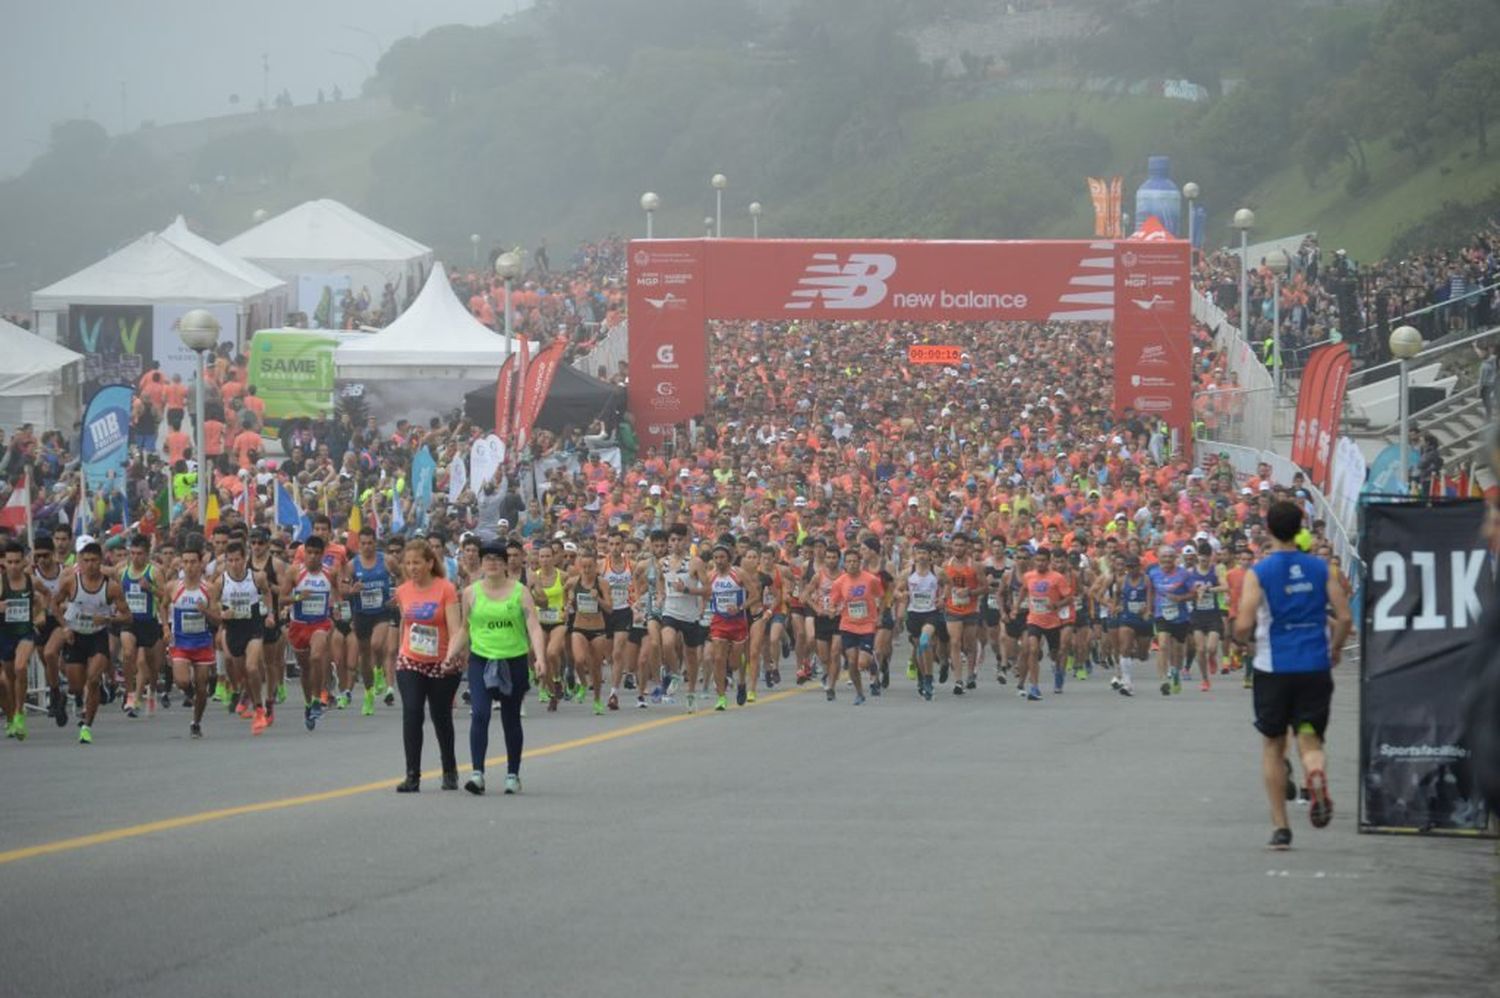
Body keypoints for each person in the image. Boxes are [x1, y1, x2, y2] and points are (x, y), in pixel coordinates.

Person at [1234, 500, 1352, 850]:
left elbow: (1243, 623)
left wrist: (1244, 641)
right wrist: (1334, 649)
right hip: (1314, 666)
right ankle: (1314, 773)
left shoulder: (1261, 572)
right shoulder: (1320, 568)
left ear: (1268, 530)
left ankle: (1281, 828)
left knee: (1273, 744)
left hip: (1274, 668)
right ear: (1301, 527)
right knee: (1309, 736)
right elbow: (1344, 618)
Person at [449, 539, 547, 796]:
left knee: (510, 717)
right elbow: (464, 629)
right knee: (480, 713)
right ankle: (477, 773)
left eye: (497, 559)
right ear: (480, 565)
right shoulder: (470, 592)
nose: (491, 564)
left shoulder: (520, 591)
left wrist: (540, 658)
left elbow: (534, 626)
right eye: (487, 560)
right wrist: (450, 654)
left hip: (512, 659)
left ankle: (512, 774)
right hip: (482, 660)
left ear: (505, 564)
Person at [392, 538, 462, 793]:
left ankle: (449, 769)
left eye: (417, 562)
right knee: (412, 713)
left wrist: (451, 657)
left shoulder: (446, 588)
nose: (412, 568)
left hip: (442, 663)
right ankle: (412, 775)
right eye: (408, 563)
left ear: (430, 563)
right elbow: (405, 623)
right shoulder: (402, 591)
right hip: (411, 660)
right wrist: (400, 651)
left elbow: (455, 628)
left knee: (441, 716)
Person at [53, 540, 130, 744]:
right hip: (75, 636)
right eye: (86, 560)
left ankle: (86, 726)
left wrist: (107, 619)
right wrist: (65, 626)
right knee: (77, 685)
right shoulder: (71, 582)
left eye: (94, 560)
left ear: (101, 561)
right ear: (80, 561)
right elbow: (54, 603)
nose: (90, 565)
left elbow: (128, 617)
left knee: (93, 680)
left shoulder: (111, 587)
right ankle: (67, 695)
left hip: (97, 636)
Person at [166, 541, 220, 738]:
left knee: (202, 688)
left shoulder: (209, 589)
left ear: (200, 564)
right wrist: (165, 626)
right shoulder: (174, 587)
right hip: (181, 642)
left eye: (193, 562)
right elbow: (163, 605)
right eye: (185, 562)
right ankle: (190, 694)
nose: (189, 566)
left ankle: (196, 722)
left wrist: (205, 611)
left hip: (202, 644)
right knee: (181, 680)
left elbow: (217, 618)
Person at [826, 546, 883, 705]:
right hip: (848, 625)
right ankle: (859, 693)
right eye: (849, 561)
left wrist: (880, 614)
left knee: (862, 662)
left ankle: (872, 663)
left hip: (867, 624)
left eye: (855, 561)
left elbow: (881, 596)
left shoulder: (871, 579)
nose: (852, 564)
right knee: (852, 662)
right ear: (845, 564)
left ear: (860, 563)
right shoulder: (840, 582)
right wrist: (831, 610)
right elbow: (833, 601)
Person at [1, 540, 42, 740]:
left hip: (25, 632)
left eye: (18, 561)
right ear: (5, 563)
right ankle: (11, 717)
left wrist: (40, 615)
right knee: (7, 679)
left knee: (20, 667)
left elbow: (47, 597)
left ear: (24, 561)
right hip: (5, 635)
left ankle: (19, 712)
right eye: (10, 562)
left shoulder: (31, 581)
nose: (14, 566)